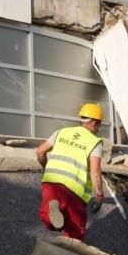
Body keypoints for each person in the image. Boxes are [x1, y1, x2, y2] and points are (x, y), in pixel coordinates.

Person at [36, 102, 105, 241]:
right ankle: (72, 252)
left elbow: (40, 151)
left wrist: (46, 168)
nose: (99, 128)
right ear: (93, 122)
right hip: (75, 189)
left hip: (51, 181)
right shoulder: (94, 141)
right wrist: (99, 195)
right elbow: (95, 170)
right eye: (99, 125)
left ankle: (52, 213)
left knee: (48, 217)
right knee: (75, 229)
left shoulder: (61, 132)